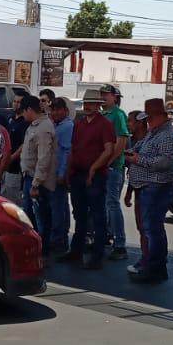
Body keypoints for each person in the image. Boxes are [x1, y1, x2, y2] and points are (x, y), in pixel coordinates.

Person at [125, 98, 173, 284]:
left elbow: (165, 163)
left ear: (159, 117)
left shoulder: (167, 137)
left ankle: (156, 267)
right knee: (149, 228)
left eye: (149, 118)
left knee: (153, 229)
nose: (147, 121)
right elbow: (141, 150)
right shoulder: (153, 133)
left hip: (156, 187)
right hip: (147, 186)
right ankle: (151, 264)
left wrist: (138, 160)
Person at [60, 89, 114, 269]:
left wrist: (94, 168)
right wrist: (68, 172)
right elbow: (73, 149)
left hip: (95, 175)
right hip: (78, 173)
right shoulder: (80, 123)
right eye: (86, 102)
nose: (88, 106)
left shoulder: (105, 124)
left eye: (91, 103)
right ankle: (76, 250)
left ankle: (97, 254)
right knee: (80, 214)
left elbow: (109, 150)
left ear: (99, 105)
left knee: (98, 215)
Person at [19, 95, 57, 246]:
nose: (22, 115)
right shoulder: (34, 125)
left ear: (29, 109)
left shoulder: (43, 128)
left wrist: (36, 184)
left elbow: (44, 158)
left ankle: (43, 250)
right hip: (29, 177)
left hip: (39, 181)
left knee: (41, 219)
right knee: (30, 217)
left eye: (23, 111)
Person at [99, 84, 131, 260]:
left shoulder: (118, 115)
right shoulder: (102, 115)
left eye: (107, 94)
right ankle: (106, 236)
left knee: (112, 204)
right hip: (102, 167)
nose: (104, 97)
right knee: (103, 204)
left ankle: (120, 244)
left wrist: (107, 162)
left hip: (112, 167)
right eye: (102, 94)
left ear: (115, 97)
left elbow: (121, 142)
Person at [122, 110, 150, 273]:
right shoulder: (131, 141)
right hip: (137, 187)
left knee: (149, 228)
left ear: (140, 123)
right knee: (141, 227)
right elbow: (132, 168)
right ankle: (145, 257)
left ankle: (150, 260)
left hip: (150, 188)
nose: (128, 124)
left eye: (130, 121)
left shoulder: (150, 140)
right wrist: (128, 192)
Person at [47, 97, 74, 255]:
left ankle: (59, 241)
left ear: (65, 111)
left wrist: (62, 173)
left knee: (58, 208)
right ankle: (60, 239)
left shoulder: (66, 126)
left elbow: (66, 152)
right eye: (53, 110)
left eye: (59, 110)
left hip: (58, 174)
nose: (55, 113)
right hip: (52, 173)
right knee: (59, 207)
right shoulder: (56, 124)